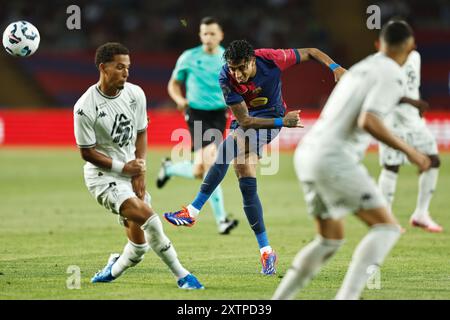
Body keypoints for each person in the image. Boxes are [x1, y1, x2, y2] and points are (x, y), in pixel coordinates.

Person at [272, 20, 431, 300]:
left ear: (378, 45)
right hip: (334, 159)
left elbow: (365, 100)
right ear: (411, 48)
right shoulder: (392, 73)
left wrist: (406, 102)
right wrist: (412, 152)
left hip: (308, 154)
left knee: (329, 240)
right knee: (387, 227)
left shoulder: (362, 67)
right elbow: (368, 120)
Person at [164, 39, 346, 275]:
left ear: (252, 61)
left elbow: (312, 51)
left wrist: (336, 68)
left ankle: (192, 211)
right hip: (252, 120)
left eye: (241, 68)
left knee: (227, 150)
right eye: (233, 68)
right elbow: (245, 121)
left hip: (271, 120)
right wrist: (286, 122)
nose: (237, 74)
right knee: (244, 176)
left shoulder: (271, 59)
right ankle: (266, 251)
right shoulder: (225, 77)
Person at [73, 42, 204, 290]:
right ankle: (183, 276)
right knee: (150, 220)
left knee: (139, 247)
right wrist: (125, 169)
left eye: (128, 67)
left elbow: (142, 131)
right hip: (103, 177)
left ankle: (114, 268)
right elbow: (86, 152)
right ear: (103, 68)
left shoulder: (135, 94)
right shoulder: (84, 108)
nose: (126, 73)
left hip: (131, 170)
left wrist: (140, 170)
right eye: (120, 67)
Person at [157, 17, 238, 235]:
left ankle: (170, 168)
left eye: (213, 33)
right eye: (205, 33)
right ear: (200, 35)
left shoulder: (227, 59)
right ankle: (222, 221)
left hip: (220, 114)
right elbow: (174, 83)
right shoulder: (189, 57)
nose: (208, 37)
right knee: (212, 163)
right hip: (196, 113)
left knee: (198, 169)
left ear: (221, 35)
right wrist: (179, 99)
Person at [378, 49, 442, 232]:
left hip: (414, 121)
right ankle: (386, 220)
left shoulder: (415, 56)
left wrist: (417, 105)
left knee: (433, 160)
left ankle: (421, 214)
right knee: (392, 166)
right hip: (392, 120)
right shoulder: (381, 60)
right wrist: (414, 103)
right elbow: (386, 93)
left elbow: (413, 87)